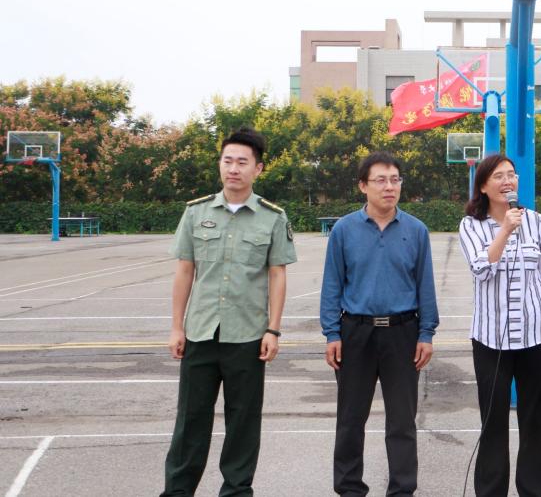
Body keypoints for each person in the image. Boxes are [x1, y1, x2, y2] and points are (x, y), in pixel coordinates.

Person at [162, 127, 297, 497]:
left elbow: (277, 275)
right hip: (200, 333)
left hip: (248, 337)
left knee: (243, 423)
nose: (234, 169)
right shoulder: (196, 212)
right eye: (228, 161)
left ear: (258, 169)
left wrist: (273, 330)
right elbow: (184, 271)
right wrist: (176, 327)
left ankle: (236, 492)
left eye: (242, 162)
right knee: (190, 421)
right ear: (220, 164)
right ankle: (177, 491)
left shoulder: (272, 217)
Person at [320, 151, 439, 497]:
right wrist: (331, 333)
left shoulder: (416, 230)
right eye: (381, 180)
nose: (390, 187)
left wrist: (426, 333)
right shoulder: (344, 230)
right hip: (355, 333)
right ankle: (349, 488)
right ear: (363, 186)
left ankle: (402, 489)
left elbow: (425, 286)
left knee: (402, 421)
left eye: (395, 180)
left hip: (403, 333)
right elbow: (332, 285)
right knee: (350, 419)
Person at [458, 154, 541, 497]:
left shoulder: (535, 221)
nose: (508, 181)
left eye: (512, 175)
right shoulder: (470, 226)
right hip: (491, 340)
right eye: (499, 176)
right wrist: (505, 230)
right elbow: (481, 268)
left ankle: (531, 491)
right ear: (483, 186)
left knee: (534, 422)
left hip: (535, 337)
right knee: (493, 422)